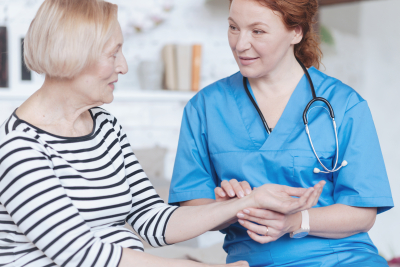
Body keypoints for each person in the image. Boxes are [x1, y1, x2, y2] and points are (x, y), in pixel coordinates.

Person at [0, 0, 326, 266]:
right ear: (73, 54)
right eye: (113, 53)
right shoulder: (18, 150)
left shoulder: (104, 127)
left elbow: (152, 220)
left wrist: (250, 200)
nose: (123, 66)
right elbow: (81, 254)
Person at [169, 0, 394, 266]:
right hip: (254, 260)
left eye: (258, 31)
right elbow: (191, 209)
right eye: (233, 27)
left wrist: (295, 221)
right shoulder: (205, 107)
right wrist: (229, 207)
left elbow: (363, 212)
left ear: (296, 32)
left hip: (341, 259)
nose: (240, 44)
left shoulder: (344, 104)